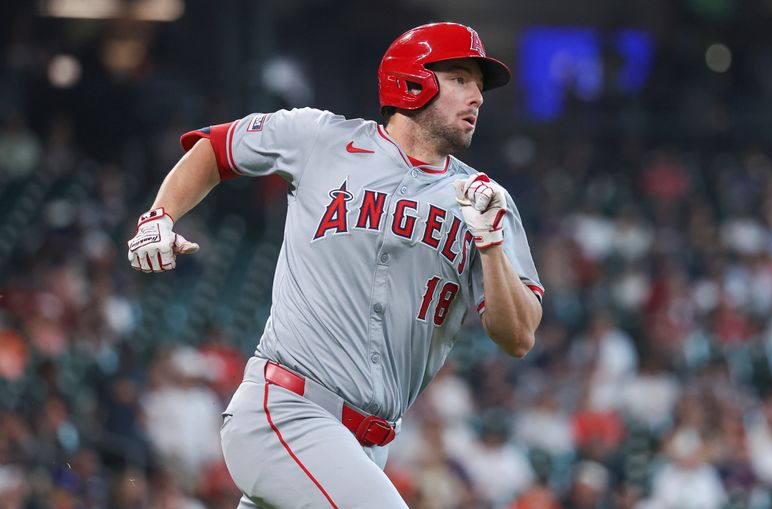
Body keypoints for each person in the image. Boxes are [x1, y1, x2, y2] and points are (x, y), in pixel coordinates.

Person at [127, 22, 544, 508]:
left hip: (365, 448)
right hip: (286, 411)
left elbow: (518, 337)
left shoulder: (484, 200)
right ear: (412, 81)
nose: (477, 97)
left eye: (479, 86)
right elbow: (216, 149)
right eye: (460, 79)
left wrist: (491, 243)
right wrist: (160, 214)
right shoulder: (320, 138)